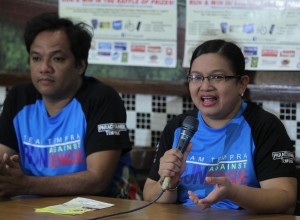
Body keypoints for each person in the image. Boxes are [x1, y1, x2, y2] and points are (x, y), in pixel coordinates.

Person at [143, 39, 297, 214]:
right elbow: (149, 193)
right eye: (196, 77)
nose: (205, 86)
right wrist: (170, 183)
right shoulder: (179, 127)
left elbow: (285, 198)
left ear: (242, 83)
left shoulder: (264, 126)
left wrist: (233, 192)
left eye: (217, 77)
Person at [0, 12, 141, 200]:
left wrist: (25, 184)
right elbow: (2, 161)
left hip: (106, 209)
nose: (44, 68)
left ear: (80, 65)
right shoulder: (19, 98)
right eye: (36, 58)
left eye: (57, 59)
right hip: (33, 210)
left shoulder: (102, 98)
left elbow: (98, 180)